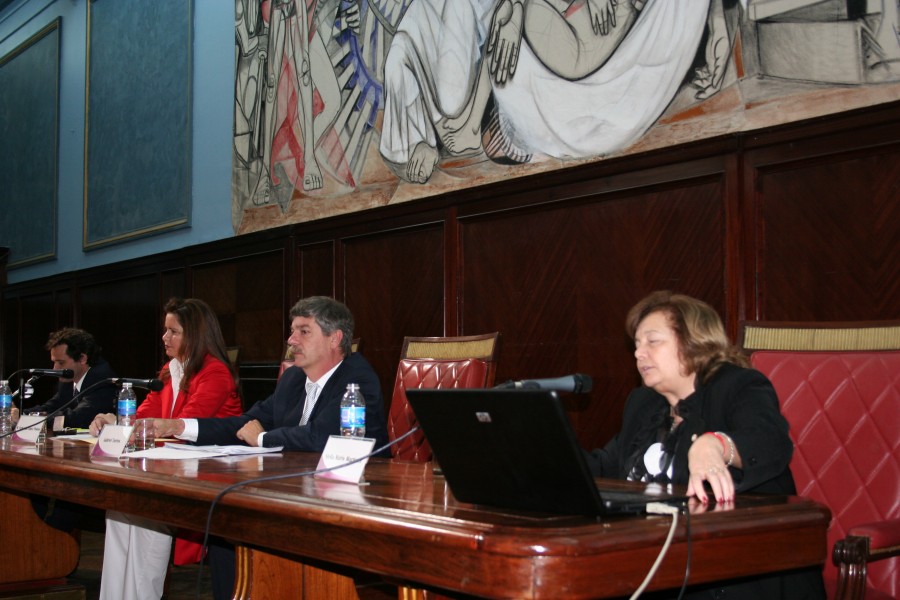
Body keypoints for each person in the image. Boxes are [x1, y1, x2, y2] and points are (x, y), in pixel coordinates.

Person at [584, 290, 825, 600]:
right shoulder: (643, 405)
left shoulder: (738, 385)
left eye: (652, 341)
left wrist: (716, 444)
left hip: (739, 573)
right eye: (636, 344)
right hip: (657, 567)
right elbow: (606, 466)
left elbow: (769, 440)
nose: (638, 353)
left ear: (694, 341)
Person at [151, 295, 388, 599]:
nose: (292, 340)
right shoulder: (292, 379)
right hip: (298, 488)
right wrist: (180, 427)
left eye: (304, 331)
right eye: (292, 331)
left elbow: (320, 438)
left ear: (335, 339)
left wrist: (262, 438)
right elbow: (244, 422)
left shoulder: (357, 378)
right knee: (227, 529)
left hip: (354, 496)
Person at [89, 298, 243, 600]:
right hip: (170, 468)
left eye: (173, 331)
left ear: (195, 335)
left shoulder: (216, 372)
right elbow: (146, 415)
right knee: (119, 506)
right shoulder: (169, 370)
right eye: (165, 330)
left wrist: (137, 426)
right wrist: (114, 420)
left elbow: (181, 424)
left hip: (208, 478)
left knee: (144, 509)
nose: (165, 338)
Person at [24, 327, 118, 430]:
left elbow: (77, 419)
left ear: (82, 359)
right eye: (54, 362)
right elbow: (52, 406)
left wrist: (32, 421)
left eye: (61, 362)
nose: (55, 368)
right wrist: (21, 415)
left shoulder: (102, 379)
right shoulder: (69, 377)